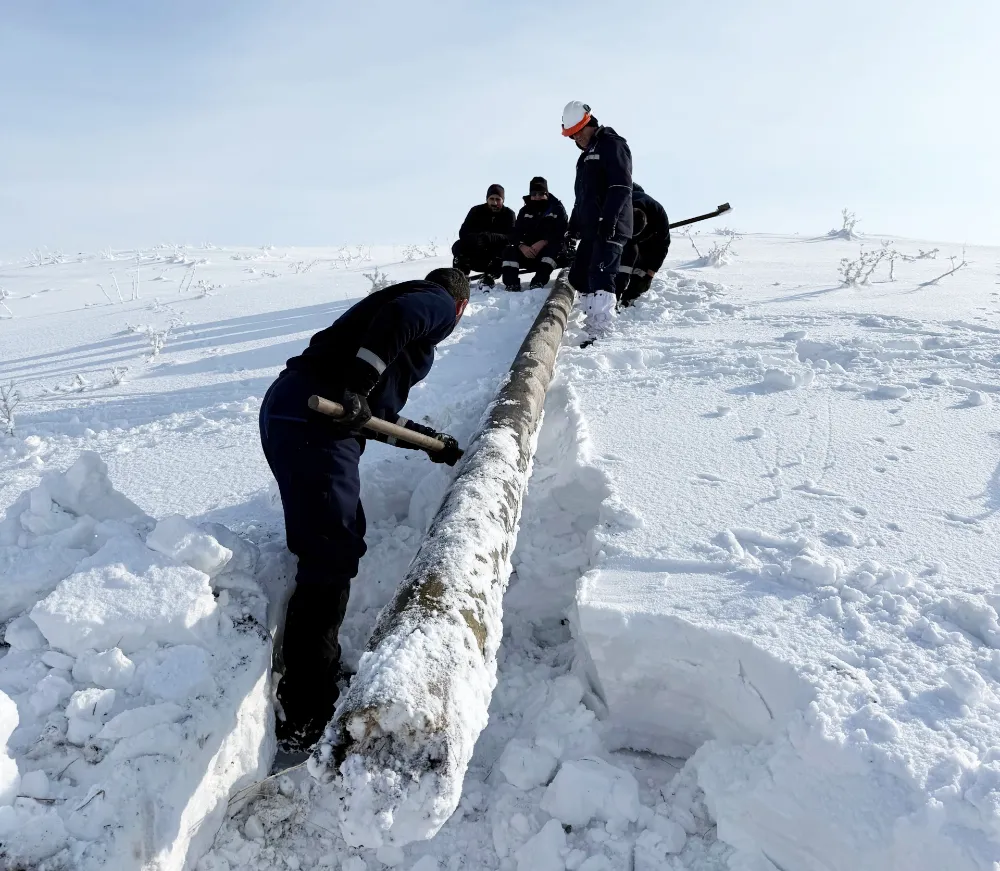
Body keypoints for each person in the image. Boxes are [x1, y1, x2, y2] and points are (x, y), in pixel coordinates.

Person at [258, 268, 469, 748]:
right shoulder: (433, 302)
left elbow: (367, 411)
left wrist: (428, 441)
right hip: (313, 417)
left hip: (297, 409)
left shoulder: (373, 341)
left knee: (332, 538)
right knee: (331, 551)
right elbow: (399, 322)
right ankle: (305, 711)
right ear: (460, 308)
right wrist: (358, 383)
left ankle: (313, 674)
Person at [561, 101, 632, 340]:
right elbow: (581, 198)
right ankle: (592, 323)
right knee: (580, 275)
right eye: (571, 136)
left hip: (610, 224)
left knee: (602, 275)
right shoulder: (585, 158)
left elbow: (621, 186)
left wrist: (609, 218)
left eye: (577, 133)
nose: (576, 139)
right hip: (591, 227)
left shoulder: (613, 145)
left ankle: (601, 331)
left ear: (588, 124)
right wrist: (573, 229)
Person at [501, 177, 569, 291]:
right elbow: (515, 232)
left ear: (546, 193)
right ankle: (511, 284)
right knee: (509, 250)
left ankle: (538, 282)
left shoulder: (557, 209)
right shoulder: (524, 211)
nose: (537, 197)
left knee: (556, 248)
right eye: (534, 193)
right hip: (528, 252)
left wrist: (544, 242)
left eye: (541, 193)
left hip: (548, 253)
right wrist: (521, 246)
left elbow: (562, 231)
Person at [452, 184, 516, 287]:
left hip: (495, 257)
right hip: (476, 253)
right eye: (491, 199)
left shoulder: (509, 214)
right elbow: (463, 232)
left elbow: (512, 237)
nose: (494, 203)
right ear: (487, 199)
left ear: (503, 200)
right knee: (458, 246)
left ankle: (490, 276)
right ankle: (461, 276)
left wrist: (491, 237)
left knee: (507, 249)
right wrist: (476, 238)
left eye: (498, 199)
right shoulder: (476, 211)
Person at [617, 183, 670, 307]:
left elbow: (663, 246)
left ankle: (631, 295)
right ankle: (614, 294)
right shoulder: (621, 207)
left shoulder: (659, 216)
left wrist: (650, 274)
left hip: (649, 239)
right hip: (625, 235)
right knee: (625, 261)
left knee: (643, 269)